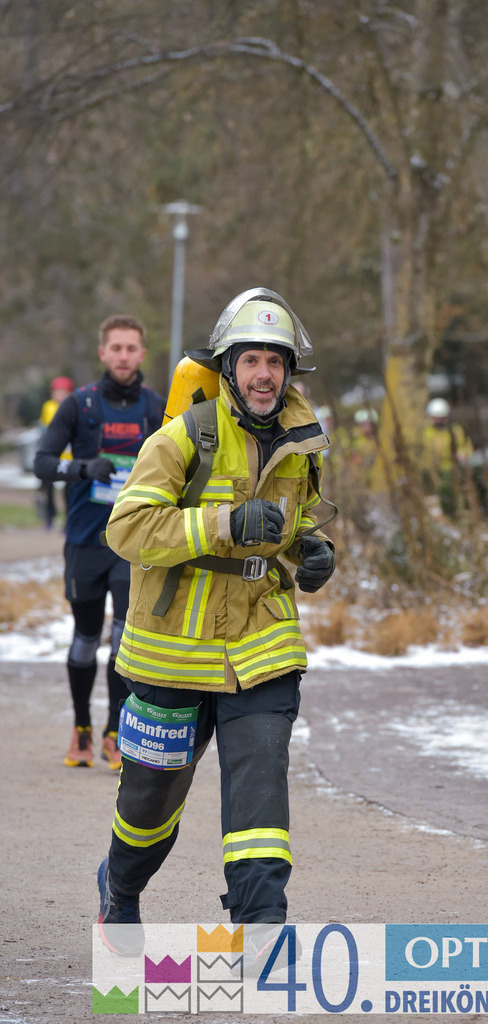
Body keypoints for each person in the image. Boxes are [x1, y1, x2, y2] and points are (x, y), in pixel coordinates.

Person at [96, 287, 336, 959]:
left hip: (261, 645)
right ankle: (120, 888)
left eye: (275, 361)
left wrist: (311, 554)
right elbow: (129, 527)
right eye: (251, 359)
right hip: (173, 651)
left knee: (259, 794)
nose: (265, 374)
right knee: (149, 804)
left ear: (289, 371)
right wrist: (224, 522)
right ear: (227, 367)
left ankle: (262, 930)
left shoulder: (303, 441)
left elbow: (300, 522)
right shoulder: (183, 437)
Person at [34, 316, 165, 771]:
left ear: (142, 354)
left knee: (124, 641)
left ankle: (114, 731)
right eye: (117, 348)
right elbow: (42, 462)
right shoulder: (79, 404)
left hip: (134, 545)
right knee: (86, 637)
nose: (124, 356)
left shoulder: (155, 409)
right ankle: (81, 728)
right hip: (86, 541)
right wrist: (82, 468)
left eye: (132, 348)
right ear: (103, 353)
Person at [36, 376, 74, 529]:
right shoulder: (48, 407)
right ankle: (49, 516)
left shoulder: (73, 406)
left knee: (68, 492)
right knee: (48, 488)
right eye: (56, 392)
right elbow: (43, 428)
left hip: (69, 457)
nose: (59, 395)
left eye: (62, 392)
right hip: (52, 456)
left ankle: (68, 519)